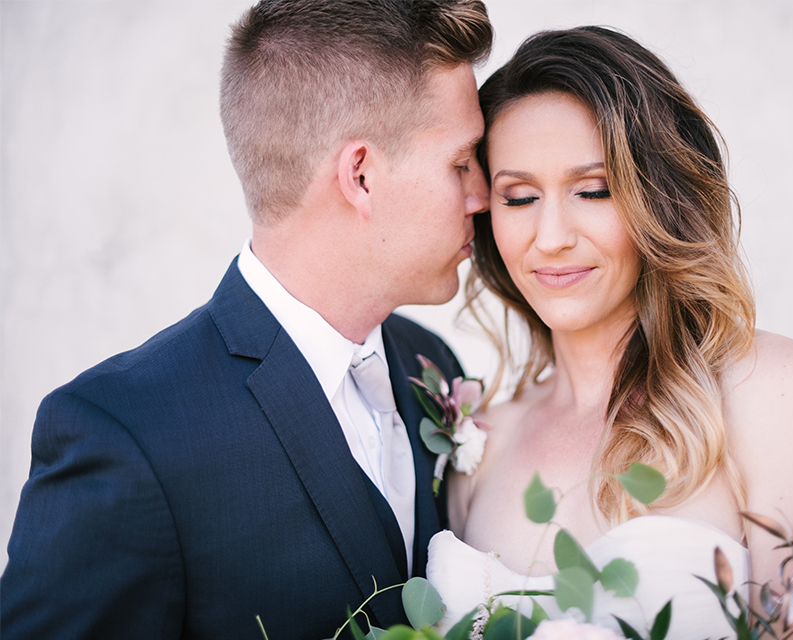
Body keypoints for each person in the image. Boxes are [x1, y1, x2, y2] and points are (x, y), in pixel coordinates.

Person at [1, 0, 491, 638]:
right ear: (362, 175)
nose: (482, 194)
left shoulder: (432, 366)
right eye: (461, 162)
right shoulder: (125, 437)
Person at [426, 27, 793, 639]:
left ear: (658, 200)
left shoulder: (778, 395)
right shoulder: (478, 444)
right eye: (518, 198)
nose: (552, 236)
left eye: (593, 190)